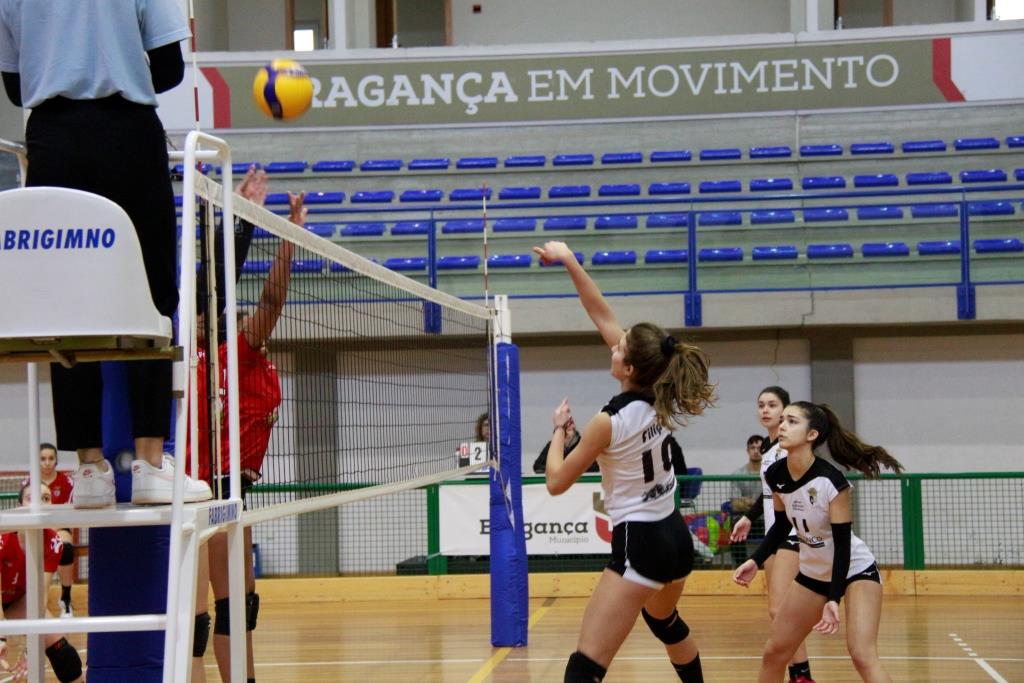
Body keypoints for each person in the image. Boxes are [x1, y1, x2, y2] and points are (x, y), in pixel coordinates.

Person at [0, 0, 211, 506]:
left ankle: (89, 468)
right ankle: (149, 464)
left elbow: (14, 85)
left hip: (51, 140)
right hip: (127, 137)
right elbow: (168, 68)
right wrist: (113, 60)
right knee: (151, 295)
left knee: (65, 305)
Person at [532, 240, 713, 683]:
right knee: (665, 623)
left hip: (641, 542)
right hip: (675, 536)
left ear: (629, 367)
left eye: (619, 348)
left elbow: (556, 481)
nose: (613, 345)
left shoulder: (608, 421)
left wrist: (559, 430)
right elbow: (600, 313)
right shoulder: (662, 389)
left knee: (585, 666)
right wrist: (571, 260)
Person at [190, 186, 304, 683]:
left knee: (241, 608)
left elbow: (259, 296)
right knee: (199, 616)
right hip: (200, 492)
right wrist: (282, 233)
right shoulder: (202, 357)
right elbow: (269, 297)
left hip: (236, 491)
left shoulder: (238, 355)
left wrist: (279, 232)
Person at [733, 402, 903, 683]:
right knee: (774, 653)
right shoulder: (775, 474)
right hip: (814, 572)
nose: (782, 426)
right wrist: (755, 559)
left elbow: (843, 548)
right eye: (782, 420)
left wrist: (834, 599)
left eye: (791, 421)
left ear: (811, 435)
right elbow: (781, 526)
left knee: (862, 654)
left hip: (854, 569)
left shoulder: (831, 481)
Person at [730, 386, 815, 683]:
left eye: (773, 405)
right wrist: (748, 517)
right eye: (761, 405)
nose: (765, 410)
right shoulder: (768, 450)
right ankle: (799, 672)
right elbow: (771, 494)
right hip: (772, 534)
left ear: (786, 411)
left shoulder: (787, 448)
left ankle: (800, 674)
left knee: (782, 609)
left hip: (790, 534)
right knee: (778, 610)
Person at [0, 483, 84, 682]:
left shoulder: (52, 542)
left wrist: (32, 647)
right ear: (20, 505)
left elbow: (39, 595)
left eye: (46, 498)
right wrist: (2, 635)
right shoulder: (3, 539)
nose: (39, 503)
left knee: (62, 651)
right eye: (32, 498)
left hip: (18, 600)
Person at [20, 444, 76, 617]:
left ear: (56, 460)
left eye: (51, 458)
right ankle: (24, 600)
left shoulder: (67, 482)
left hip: (58, 526)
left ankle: (66, 599)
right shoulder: (28, 483)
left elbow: (68, 514)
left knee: (65, 547)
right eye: (43, 459)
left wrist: (51, 528)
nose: (47, 463)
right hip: (34, 528)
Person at [726, 435, 763, 566]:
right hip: (745, 520)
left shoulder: (771, 473)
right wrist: (759, 503)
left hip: (765, 521)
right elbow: (735, 505)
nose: (756, 451)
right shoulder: (737, 474)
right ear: (747, 451)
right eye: (752, 447)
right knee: (734, 527)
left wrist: (747, 502)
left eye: (759, 448)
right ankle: (741, 566)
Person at [532, 417, 599, 474]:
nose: (569, 426)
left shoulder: (584, 444)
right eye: (566, 424)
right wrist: (559, 469)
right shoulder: (552, 445)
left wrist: (571, 468)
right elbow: (537, 466)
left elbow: (595, 467)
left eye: (571, 423)